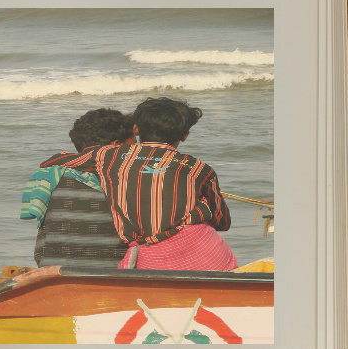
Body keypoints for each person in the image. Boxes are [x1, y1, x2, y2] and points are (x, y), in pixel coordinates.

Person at [40, 97, 237, 271]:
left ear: (136, 129)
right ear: (184, 135)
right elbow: (222, 221)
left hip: (151, 255)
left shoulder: (108, 156)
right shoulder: (199, 168)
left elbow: (55, 161)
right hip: (206, 252)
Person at [21, 108, 135, 268]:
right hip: (113, 271)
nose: (138, 151)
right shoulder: (130, 180)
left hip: (54, 269)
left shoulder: (50, 174)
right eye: (134, 145)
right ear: (116, 146)